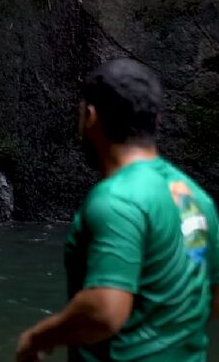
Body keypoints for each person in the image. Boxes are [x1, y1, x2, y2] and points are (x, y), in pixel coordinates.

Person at [15, 58, 219, 362]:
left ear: (90, 116)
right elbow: (213, 299)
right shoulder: (195, 198)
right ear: (157, 120)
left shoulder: (116, 199)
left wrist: (38, 337)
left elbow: (104, 312)